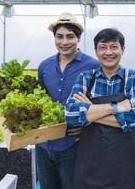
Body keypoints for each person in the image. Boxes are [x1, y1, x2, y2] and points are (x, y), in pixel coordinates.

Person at [65, 28, 135, 189]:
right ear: (96, 51)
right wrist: (117, 108)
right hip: (90, 166)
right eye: (103, 47)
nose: (108, 52)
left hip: (125, 167)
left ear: (122, 49)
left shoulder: (133, 77)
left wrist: (90, 110)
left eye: (114, 47)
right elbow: (70, 114)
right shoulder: (86, 78)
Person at [36, 12, 99, 189]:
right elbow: (37, 99)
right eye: (59, 36)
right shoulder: (45, 65)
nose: (64, 42)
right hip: (43, 144)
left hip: (74, 144)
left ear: (78, 38)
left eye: (70, 36)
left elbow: (101, 104)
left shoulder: (93, 66)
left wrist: (88, 123)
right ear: (54, 38)